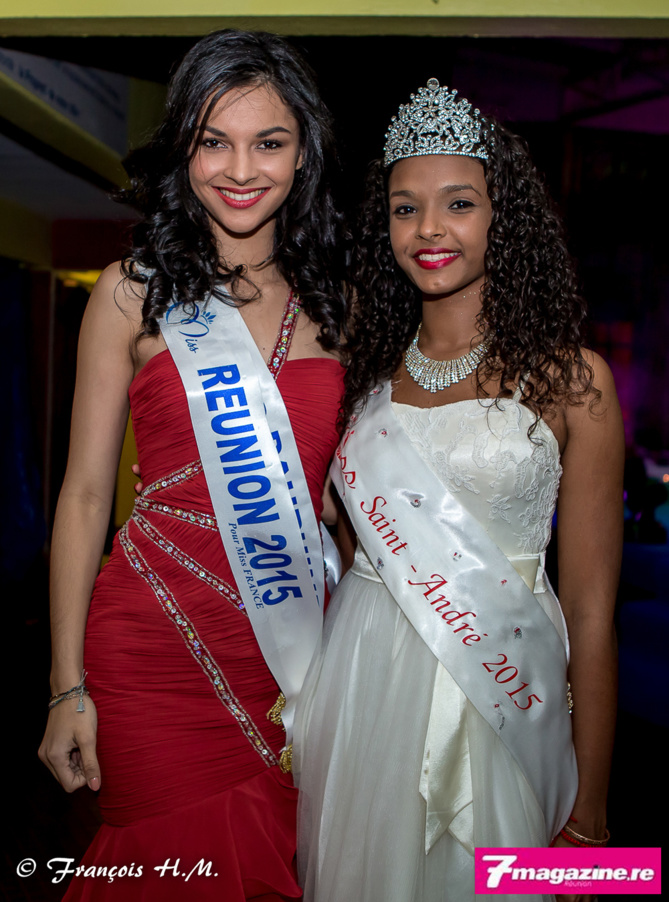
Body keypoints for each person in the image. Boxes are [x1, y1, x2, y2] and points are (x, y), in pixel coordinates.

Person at [293, 79, 622, 902]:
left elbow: (589, 612)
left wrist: (591, 820)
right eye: (405, 209)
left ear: (499, 218)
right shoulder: (358, 375)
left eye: (458, 203)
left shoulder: (575, 380)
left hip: (511, 691)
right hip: (367, 680)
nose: (429, 229)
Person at [38, 29, 346, 901]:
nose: (240, 168)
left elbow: (343, 499)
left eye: (269, 142)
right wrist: (66, 687)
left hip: (291, 656)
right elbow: (86, 493)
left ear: (304, 153)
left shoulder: (345, 306)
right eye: (214, 140)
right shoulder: (130, 291)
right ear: (183, 149)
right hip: (150, 646)